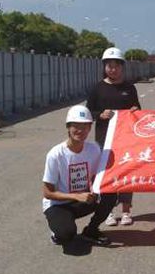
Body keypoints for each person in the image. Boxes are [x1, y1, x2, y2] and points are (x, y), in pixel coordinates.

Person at [42, 105, 116, 246]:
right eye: (76, 126)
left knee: (110, 194)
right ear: (68, 127)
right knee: (66, 235)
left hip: (83, 199)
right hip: (58, 204)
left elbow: (96, 177)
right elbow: (47, 193)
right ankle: (58, 232)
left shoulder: (94, 149)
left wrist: (95, 190)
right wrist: (76, 196)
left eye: (85, 126)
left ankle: (91, 230)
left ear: (90, 128)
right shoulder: (56, 154)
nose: (80, 130)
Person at [87, 47, 140, 227]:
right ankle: (108, 212)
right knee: (107, 174)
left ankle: (126, 211)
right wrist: (100, 115)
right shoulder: (97, 88)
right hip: (105, 140)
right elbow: (88, 112)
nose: (113, 69)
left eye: (116, 66)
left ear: (122, 67)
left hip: (126, 139)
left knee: (126, 173)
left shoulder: (129, 88)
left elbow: (137, 109)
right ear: (104, 67)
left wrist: (134, 111)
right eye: (109, 66)